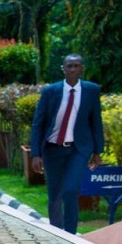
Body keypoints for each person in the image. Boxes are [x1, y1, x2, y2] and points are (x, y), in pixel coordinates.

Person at [30, 53, 105, 234]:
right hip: (52, 149)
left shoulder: (92, 90)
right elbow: (38, 123)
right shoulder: (50, 91)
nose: (72, 69)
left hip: (78, 149)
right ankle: (57, 233)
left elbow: (96, 121)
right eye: (69, 66)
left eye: (76, 65)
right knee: (55, 195)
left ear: (82, 68)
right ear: (63, 69)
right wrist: (36, 153)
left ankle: (70, 235)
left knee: (70, 190)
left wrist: (97, 151)